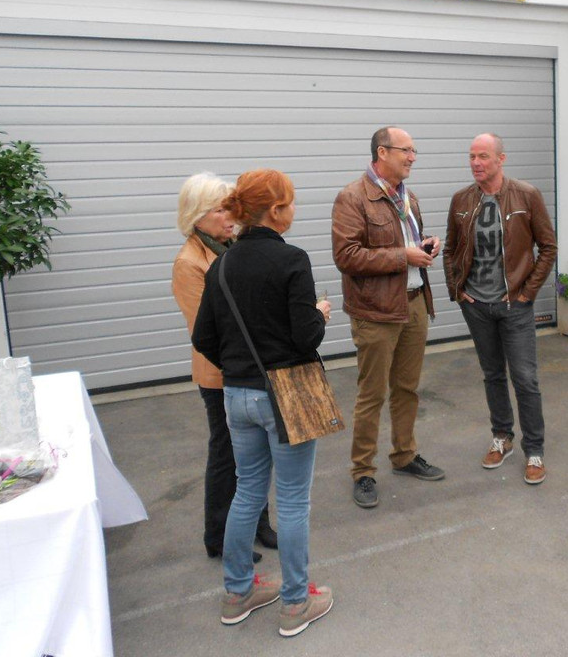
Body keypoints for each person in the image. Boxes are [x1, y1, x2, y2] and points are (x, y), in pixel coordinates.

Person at [192, 169, 334, 637]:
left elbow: (203, 338)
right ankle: (295, 602)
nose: (293, 210)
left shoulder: (222, 265)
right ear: (275, 210)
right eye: (290, 203)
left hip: (237, 394)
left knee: (248, 490)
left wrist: (238, 369)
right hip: (286, 395)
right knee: (292, 500)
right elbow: (305, 336)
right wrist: (320, 314)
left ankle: (238, 592)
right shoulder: (292, 260)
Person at [331, 126, 445, 509]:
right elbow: (346, 256)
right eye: (406, 150)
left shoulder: (408, 197)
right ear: (382, 152)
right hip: (376, 312)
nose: (413, 157)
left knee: (407, 388)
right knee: (372, 394)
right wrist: (402, 256)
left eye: (414, 151)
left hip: (414, 302)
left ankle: (404, 455)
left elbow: (407, 244)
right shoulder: (353, 198)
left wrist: (425, 245)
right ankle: (363, 471)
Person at [171, 172, 276, 562]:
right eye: (219, 209)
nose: (229, 215)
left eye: (230, 206)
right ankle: (218, 535)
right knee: (227, 455)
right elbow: (206, 331)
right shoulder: (189, 263)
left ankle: (258, 525)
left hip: (250, 369)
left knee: (257, 454)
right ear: (196, 216)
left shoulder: (232, 247)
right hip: (221, 375)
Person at [443, 133, 557, 485]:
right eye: (472, 156)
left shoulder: (526, 195)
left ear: (500, 159)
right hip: (477, 305)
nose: (476, 163)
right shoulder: (461, 199)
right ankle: (502, 437)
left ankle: (534, 450)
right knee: (492, 374)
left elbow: (548, 247)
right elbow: (450, 249)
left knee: (525, 378)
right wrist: (459, 291)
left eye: (483, 156)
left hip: (514, 305)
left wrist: (527, 294)